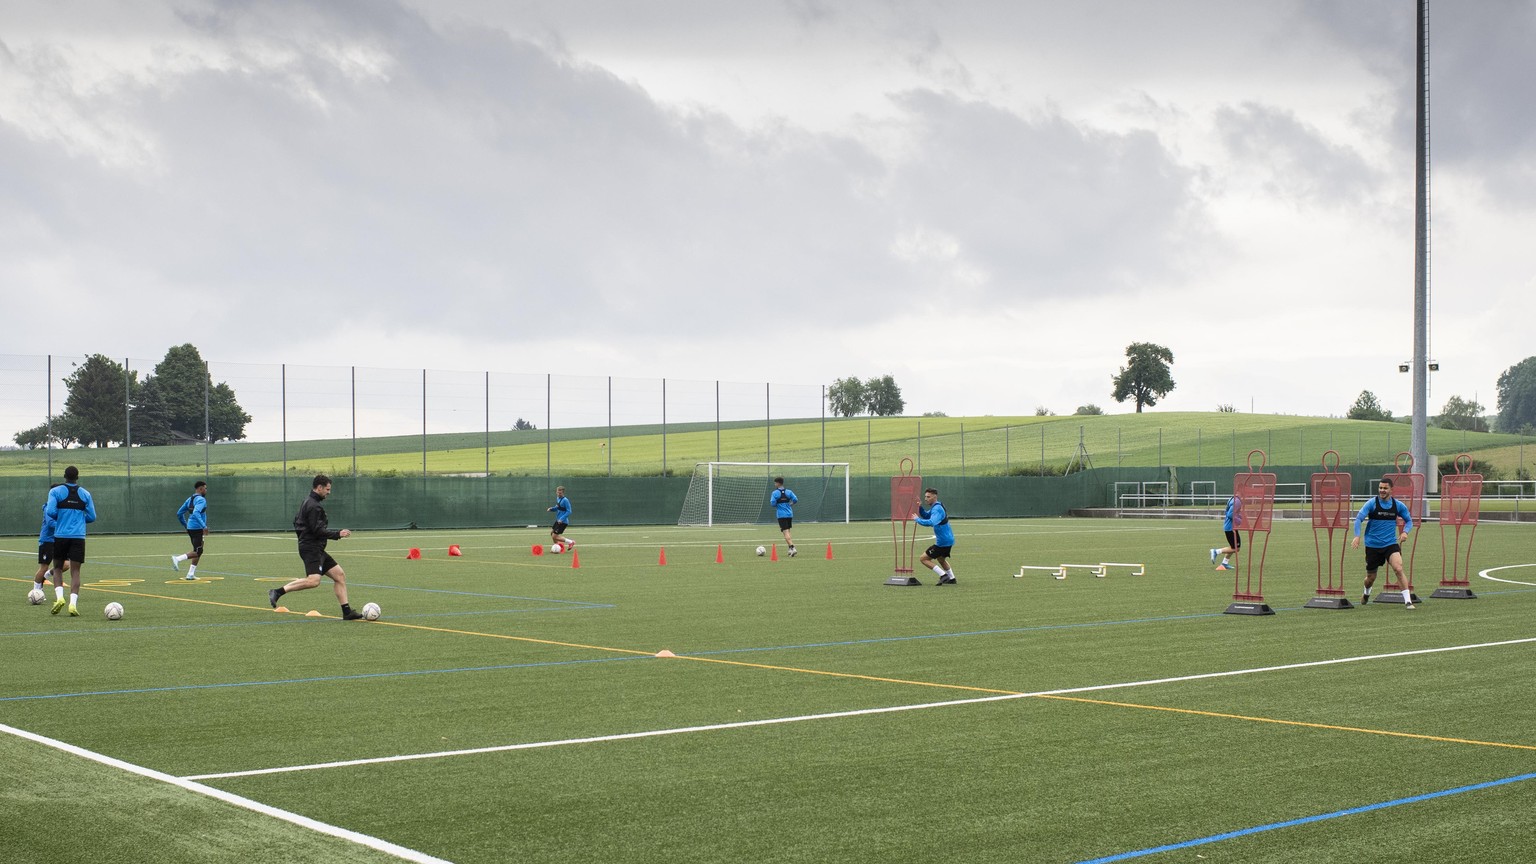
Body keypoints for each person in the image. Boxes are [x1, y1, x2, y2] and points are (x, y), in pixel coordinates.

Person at [269, 474, 364, 620]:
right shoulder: (313, 506)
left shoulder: (307, 501)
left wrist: (303, 537)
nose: (329, 492)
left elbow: (297, 522)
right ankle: (278, 592)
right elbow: (317, 530)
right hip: (311, 548)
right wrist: (338, 534)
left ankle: (347, 612)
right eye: (327, 489)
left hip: (315, 548)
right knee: (313, 581)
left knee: (339, 575)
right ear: (319, 487)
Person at [1352, 477, 1415, 609]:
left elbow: (1409, 521)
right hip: (1373, 545)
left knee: (1398, 568)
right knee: (1370, 578)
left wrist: (1405, 532)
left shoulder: (1398, 505)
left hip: (1390, 544)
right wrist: (1357, 536)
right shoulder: (1371, 503)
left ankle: (1408, 601)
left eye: (1385, 488)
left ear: (1391, 490)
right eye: (1380, 488)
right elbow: (1358, 519)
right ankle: (1366, 593)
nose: (1382, 490)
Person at [44, 466, 96, 616]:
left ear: (64, 477)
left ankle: (59, 598)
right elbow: (92, 517)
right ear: (77, 477)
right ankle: (73, 605)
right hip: (78, 537)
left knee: (58, 568)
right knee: (75, 571)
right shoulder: (85, 494)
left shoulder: (55, 492)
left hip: (61, 535)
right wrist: (78, 518)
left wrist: (63, 516)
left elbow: (51, 512)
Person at [914, 487, 956, 585]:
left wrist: (917, 519)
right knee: (941, 559)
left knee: (923, 559)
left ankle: (943, 575)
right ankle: (952, 578)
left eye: (928, 497)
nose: (926, 499)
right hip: (948, 539)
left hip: (943, 542)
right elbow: (927, 515)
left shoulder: (937, 509)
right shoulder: (936, 506)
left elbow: (931, 522)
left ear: (934, 497)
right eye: (925, 496)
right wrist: (920, 507)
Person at [171, 481, 209, 580]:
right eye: (205, 488)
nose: (206, 490)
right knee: (198, 551)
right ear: (200, 489)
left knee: (198, 550)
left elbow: (179, 513)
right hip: (197, 528)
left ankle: (190, 574)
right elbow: (196, 513)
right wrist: (204, 526)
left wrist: (186, 525)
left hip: (191, 528)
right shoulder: (201, 500)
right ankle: (177, 558)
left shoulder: (190, 499)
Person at [32, 485, 60, 601]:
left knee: (66, 565)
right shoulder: (49, 507)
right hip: (47, 541)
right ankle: (36, 592)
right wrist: (64, 526)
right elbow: (50, 523)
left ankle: (47, 575)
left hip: (58, 540)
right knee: (43, 567)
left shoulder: (61, 507)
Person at [1210, 491, 1243, 571]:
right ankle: (1216, 551)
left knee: (1233, 547)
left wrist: (1239, 516)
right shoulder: (1237, 501)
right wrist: (1240, 521)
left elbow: (1230, 512)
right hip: (1230, 528)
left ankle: (1224, 564)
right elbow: (1230, 514)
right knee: (1236, 548)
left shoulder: (1233, 499)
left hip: (1230, 527)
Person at [770, 477, 798, 556]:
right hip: (789, 514)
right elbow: (795, 499)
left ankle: (793, 547)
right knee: (788, 531)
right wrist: (790, 504)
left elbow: (772, 503)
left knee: (785, 532)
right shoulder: (789, 492)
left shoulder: (775, 493)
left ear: (778, 483)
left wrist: (778, 505)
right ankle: (789, 548)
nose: (774, 484)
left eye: (775, 483)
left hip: (781, 515)